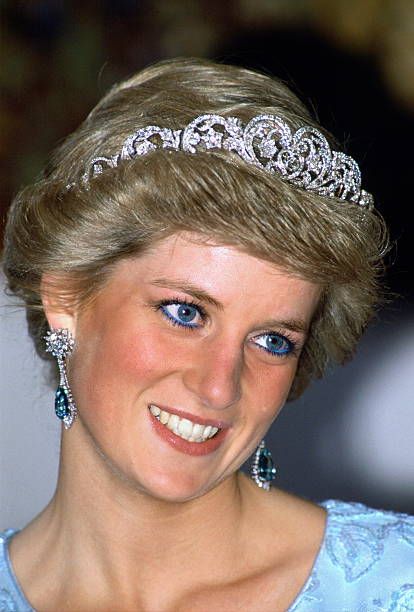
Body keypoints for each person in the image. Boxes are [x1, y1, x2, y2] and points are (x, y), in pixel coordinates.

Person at [1, 57, 413, 612]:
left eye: (272, 341)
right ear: (66, 298)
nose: (221, 389)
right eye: (186, 313)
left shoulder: (392, 583)